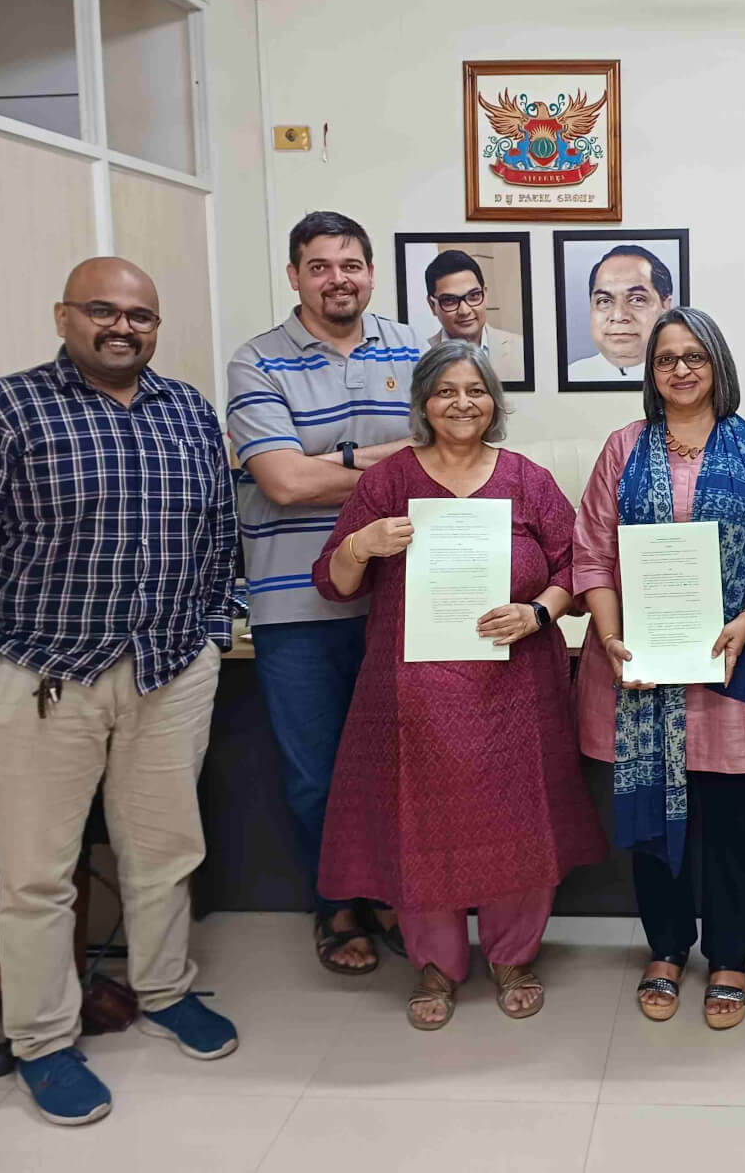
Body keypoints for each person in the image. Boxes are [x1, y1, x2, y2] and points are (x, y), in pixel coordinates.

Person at [0, 258, 239, 1126]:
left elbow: (219, 534)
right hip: (41, 680)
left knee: (167, 853)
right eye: (103, 310)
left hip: (168, 671)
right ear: (65, 317)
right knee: (37, 877)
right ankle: (44, 1040)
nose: (123, 326)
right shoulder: (3, 409)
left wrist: (212, 631)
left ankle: (165, 991)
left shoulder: (188, 411)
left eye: (141, 315)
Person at [310, 340, 605, 1029]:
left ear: (494, 403)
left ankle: (513, 956)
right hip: (412, 694)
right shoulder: (389, 482)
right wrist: (361, 544)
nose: (462, 403)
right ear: (423, 403)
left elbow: (578, 567)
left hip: (515, 688)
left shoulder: (527, 479)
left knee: (517, 822)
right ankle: (436, 964)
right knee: (420, 827)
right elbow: (333, 581)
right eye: (445, 391)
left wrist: (538, 612)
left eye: (475, 390)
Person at [574, 306, 745, 1029]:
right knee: (653, 812)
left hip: (731, 664)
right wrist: (611, 637)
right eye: (665, 359)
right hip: (644, 671)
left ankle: (731, 956)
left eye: (694, 357)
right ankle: (667, 948)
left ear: (717, 365)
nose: (680, 369)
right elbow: (592, 552)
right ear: (650, 373)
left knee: (732, 822)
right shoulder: (623, 448)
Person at [226, 211, 425, 976]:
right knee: (317, 773)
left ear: (370, 272)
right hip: (294, 607)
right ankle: (337, 904)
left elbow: (447, 456)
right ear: (295, 276)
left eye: (350, 265)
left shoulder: (413, 348)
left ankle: (391, 896)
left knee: (400, 766)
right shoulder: (257, 361)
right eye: (319, 266)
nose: (337, 279)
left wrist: (327, 462)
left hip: (400, 600)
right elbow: (282, 482)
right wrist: (379, 461)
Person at [565, 244, 674, 381]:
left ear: (665, 306)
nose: (618, 316)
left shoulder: (684, 377)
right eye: (604, 301)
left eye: (637, 299)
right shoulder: (573, 375)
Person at [424, 248, 524, 383]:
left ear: (485, 294)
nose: (464, 311)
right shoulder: (421, 355)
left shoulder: (521, 350)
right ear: (432, 305)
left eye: (474, 296)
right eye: (449, 300)